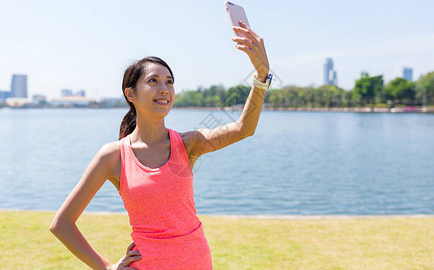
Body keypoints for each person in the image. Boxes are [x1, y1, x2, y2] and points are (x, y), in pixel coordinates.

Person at [49, 21, 271, 269]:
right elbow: (62, 224)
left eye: (169, 81)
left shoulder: (189, 144)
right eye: (153, 81)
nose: (164, 89)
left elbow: (244, 128)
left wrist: (261, 76)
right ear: (130, 94)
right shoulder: (113, 156)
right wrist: (107, 267)